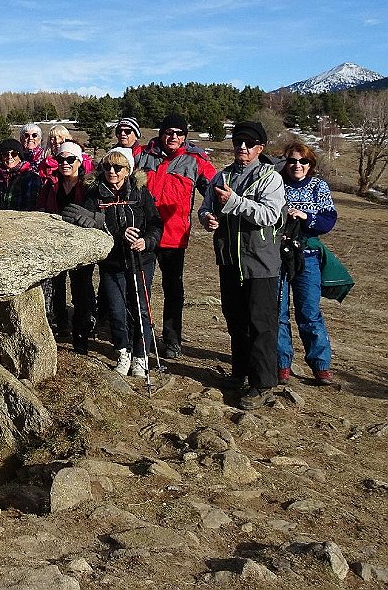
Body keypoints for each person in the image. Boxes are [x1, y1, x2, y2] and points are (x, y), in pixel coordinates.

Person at [199, 120, 285, 410]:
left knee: (261, 324)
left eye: (249, 143)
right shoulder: (222, 176)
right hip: (229, 260)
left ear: (260, 148)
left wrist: (235, 201)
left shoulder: (270, 178)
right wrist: (207, 218)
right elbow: (205, 207)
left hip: (260, 262)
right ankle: (240, 373)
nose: (243, 148)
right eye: (238, 142)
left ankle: (263, 384)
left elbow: (269, 215)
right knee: (235, 320)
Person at [63, 147, 161, 378]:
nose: (112, 172)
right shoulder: (94, 194)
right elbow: (89, 228)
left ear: (128, 170)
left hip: (141, 260)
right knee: (117, 311)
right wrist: (118, 234)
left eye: (118, 167)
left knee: (140, 310)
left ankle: (141, 356)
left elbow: (155, 224)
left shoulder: (140, 193)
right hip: (112, 263)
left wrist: (147, 241)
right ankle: (123, 352)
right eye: (107, 167)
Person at [136, 114, 217, 359]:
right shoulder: (143, 154)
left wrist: (214, 214)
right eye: (169, 132)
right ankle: (141, 338)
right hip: (144, 235)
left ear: (185, 136)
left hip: (174, 236)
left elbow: (215, 191)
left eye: (179, 133)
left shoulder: (196, 160)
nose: (173, 137)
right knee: (141, 289)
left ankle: (172, 340)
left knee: (173, 291)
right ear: (161, 133)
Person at [276, 142, 338, 385]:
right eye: (292, 160)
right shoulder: (276, 184)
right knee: (278, 311)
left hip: (308, 257)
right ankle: (281, 364)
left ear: (310, 164)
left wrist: (306, 216)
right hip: (278, 256)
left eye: (303, 161)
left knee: (309, 312)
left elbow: (328, 220)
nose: (297, 165)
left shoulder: (318, 187)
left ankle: (320, 365)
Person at [37, 141, 95, 352]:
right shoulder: (50, 184)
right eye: (61, 159)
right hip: (55, 244)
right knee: (56, 288)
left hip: (81, 246)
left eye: (70, 159)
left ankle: (81, 338)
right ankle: (60, 327)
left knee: (81, 291)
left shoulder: (88, 186)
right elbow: (41, 209)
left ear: (79, 161)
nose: (65, 163)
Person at [0, 138, 40, 210]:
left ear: (20, 157)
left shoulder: (31, 177)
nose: (10, 157)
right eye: (5, 154)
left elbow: (31, 205)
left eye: (14, 154)